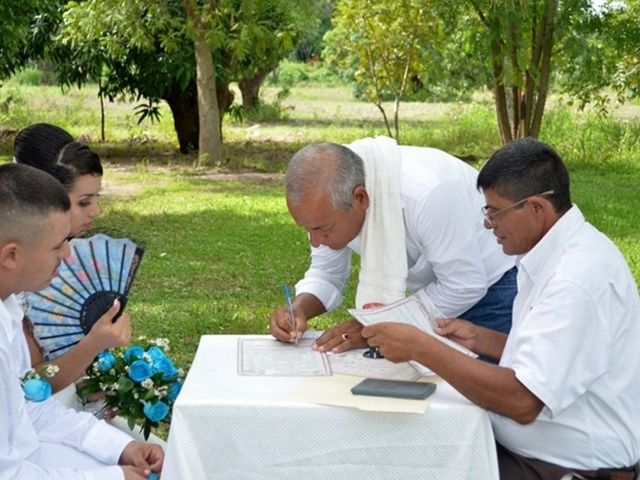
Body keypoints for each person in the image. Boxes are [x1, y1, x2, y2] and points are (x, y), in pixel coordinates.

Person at [361, 138, 640, 479]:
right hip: (533, 452)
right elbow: (557, 360)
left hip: (566, 467)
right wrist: (480, 339)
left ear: (536, 208)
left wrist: (422, 346)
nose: (487, 225)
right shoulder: (558, 254)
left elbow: (523, 402)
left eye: (495, 213)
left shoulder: (574, 280)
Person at [269, 136, 516, 352]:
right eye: (308, 229)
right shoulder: (329, 196)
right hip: (438, 292)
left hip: (496, 288)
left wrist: (374, 327)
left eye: (322, 229)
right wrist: (298, 310)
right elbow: (327, 274)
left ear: (360, 198)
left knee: (470, 398)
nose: (315, 240)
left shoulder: (427, 193)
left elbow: (464, 285)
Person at [0, 163, 164, 479]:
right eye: (57, 245)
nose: (69, 256)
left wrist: (120, 448)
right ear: (11, 256)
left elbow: (30, 406)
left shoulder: (8, 306)